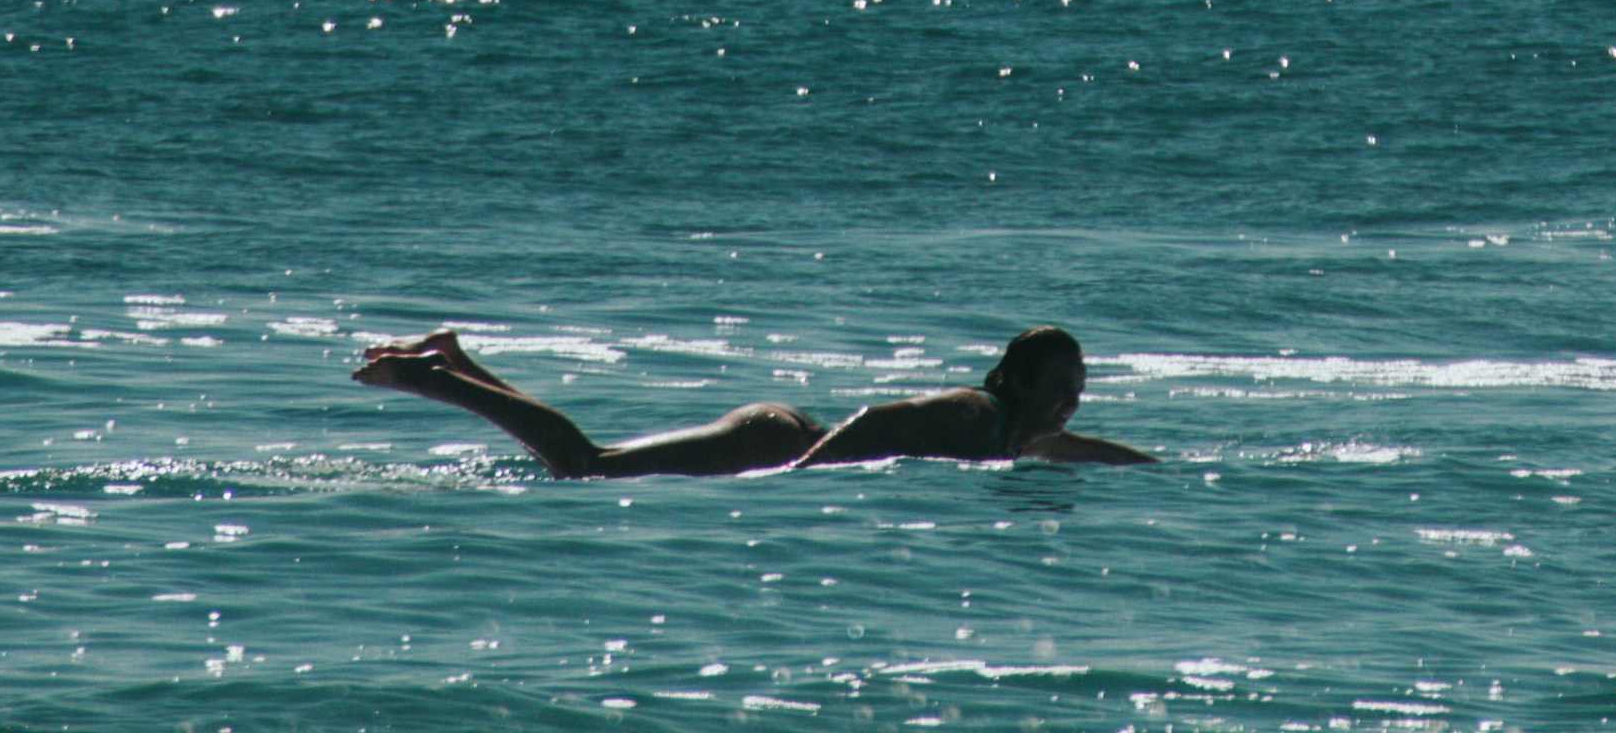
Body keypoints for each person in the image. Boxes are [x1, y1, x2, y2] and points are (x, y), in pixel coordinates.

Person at [350, 322, 1153, 477]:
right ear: (1011, 379)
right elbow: (880, 421)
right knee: (583, 464)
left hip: (779, 436)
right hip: (770, 447)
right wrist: (801, 470)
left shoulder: (1018, 432)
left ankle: (456, 360)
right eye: (1058, 390)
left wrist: (1162, 469)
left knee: (593, 457)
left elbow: (1080, 448)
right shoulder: (979, 415)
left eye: (1077, 396)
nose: (1068, 408)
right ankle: (427, 378)